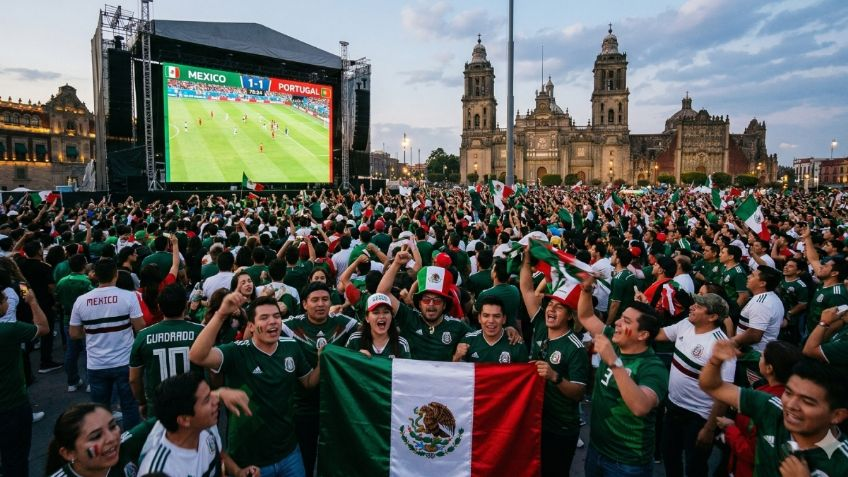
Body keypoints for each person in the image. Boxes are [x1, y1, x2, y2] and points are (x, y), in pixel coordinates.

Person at [190, 293, 319, 477]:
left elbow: (308, 382)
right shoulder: (237, 352)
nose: (273, 322)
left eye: (276, 316)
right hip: (248, 460)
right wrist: (221, 314)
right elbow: (197, 356)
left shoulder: (291, 347)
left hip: (289, 452)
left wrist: (323, 361)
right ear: (250, 326)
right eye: (264, 318)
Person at [700, 342, 848, 476]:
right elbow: (713, 386)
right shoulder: (771, 408)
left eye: (807, 401)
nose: (790, 404)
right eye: (788, 393)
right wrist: (716, 360)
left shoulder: (841, 462)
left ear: (837, 415)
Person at [577, 275, 669, 477]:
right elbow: (585, 317)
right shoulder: (615, 339)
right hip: (597, 450)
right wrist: (586, 290)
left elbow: (641, 406)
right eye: (620, 317)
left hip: (627, 463)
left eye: (625, 321)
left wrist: (613, 362)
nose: (617, 322)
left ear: (643, 335)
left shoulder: (653, 368)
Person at [520, 252, 589, 475]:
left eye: (559, 307)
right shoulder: (540, 325)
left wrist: (554, 376)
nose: (551, 309)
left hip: (560, 427)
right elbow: (527, 290)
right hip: (535, 420)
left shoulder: (575, 347)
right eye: (550, 304)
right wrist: (527, 261)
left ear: (570, 315)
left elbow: (579, 392)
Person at [653, 293, 734, 477]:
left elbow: (723, 394)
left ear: (712, 317)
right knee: (670, 456)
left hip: (699, 417)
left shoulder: (720, 346)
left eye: (698, 306)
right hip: (673, 408)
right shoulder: (685, 324)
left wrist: (709, 428)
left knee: (695, 467)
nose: (692, 307)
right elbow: (659, 334)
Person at [281, 281, 357, 475]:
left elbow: (373, 331)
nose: (321, 304)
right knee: (305, 459)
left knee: (336, 460)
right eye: (314, 300)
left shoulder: (344, 323)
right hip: (302, 407)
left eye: (325, 299)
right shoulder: (289, 326)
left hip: (335, 407)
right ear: (305, 303)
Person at [70, 258, 146, 430]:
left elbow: (74, 333)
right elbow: (140, 327)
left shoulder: (81, 300)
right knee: (129, 406)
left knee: (100, 409)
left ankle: (105, 444)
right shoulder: (128, 297)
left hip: (96, 363)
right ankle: (130, 448)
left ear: (95, 275)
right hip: (125, 361)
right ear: (116, 275)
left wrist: (93, 330)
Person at [136, 373, 258, 477]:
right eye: (207, 400)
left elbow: (217, 452)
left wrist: (238, 472)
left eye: (212, 394)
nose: (216, 400)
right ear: (184, 420)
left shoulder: (205, 425)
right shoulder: (161, 470)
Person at [716, 341, 802, 477]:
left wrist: (730, 428)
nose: (759, 356)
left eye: (762, 356)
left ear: (769, 368)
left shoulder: (767, 404)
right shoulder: (790, 397)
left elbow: (753, 451)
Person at [377, 252, 475, 361]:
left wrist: (457, 357)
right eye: (426, 299)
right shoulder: (409, 318)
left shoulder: (457, 326)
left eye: (437, 300)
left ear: (444, 305)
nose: (431, 304)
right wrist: (396, 263)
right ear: (419, 303)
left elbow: (482, 341)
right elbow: (382, 294)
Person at [129, 284, 204, 419]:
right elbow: (213, 371)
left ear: (159, 307)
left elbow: (134, 379)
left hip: (158, 407)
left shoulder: (143, 336)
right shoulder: (201, 332)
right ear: (185, 306)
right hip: (194, 406)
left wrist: (142, 402)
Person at [0, 285, 49, 477]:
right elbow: (43, 328)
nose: (7, 302)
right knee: (16, 458)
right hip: (12, 403)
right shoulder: (9, 330)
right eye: (4, 299)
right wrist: (33, 302)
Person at [55, 253, 94, 392]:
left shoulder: (62, 281)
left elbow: (57, 299)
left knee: (71, 352)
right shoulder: (86, 281)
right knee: (88, 352)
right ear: (84, 265)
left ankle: (72, 381)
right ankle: (91, 381)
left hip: (68, 320)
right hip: (85, 321)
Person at [453, 295, 528, 363]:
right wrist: (457, 357)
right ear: (479, 318)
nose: (491, 321)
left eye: (496, 316)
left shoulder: (517, 345)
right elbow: (455, 373)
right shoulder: (468, 341)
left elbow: (525, 376)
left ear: (504, 319)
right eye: (486, 316)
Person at [345, 293, 411, 359]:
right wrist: (356, 359)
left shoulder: (401, 344)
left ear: (391, 316)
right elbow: (343, 365)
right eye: (376, 312)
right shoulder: (355, 340)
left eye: (386, 312)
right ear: (367, 318)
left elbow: (407, 368)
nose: (382, 316)